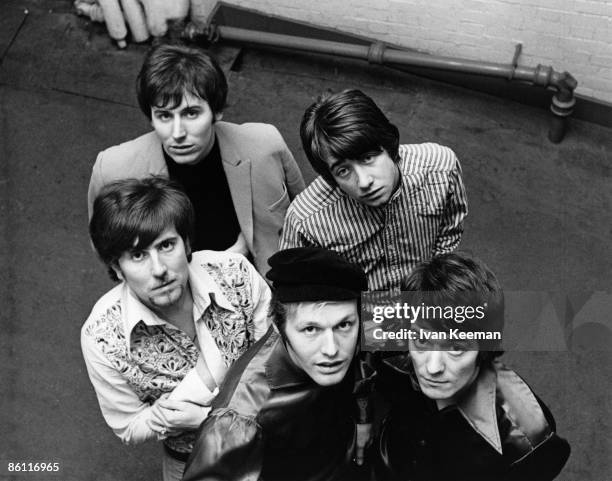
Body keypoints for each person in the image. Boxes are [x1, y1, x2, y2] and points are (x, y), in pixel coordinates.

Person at [81, 177, 272, 481]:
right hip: (189, 463)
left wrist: (208, 419)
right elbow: (129, 425)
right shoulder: (103, 336)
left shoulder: (235, 274)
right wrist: (160, 419)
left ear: (187, 243)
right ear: (117, 267)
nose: (159, 269)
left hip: (275, 445)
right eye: (138, 255)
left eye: (166, 245)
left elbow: (281, 367)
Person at [87, 42, 305, 275]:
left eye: (191, 113)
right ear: (151, 118)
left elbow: (305, 219)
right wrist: (215, 268)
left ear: (217, 111)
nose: (178, 133)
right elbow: (107, 248)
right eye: (164, 116)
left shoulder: (264, 146)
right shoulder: (114, 168)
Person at [373, 253, 571, 480]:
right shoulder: (401, 331)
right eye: (422, 341)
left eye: (456, 348)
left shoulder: (526, 436)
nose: (432, 367)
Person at [182, 247, 369, 481]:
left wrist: (364, 415)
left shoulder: (358, 318)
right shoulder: (238, 421)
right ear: (278, 327)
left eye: (344, 326)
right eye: (311, 329)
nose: (331, 350)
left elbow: (424, 314)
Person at [280, 89, 468, 291]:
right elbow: (296, 295)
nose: (364, 182)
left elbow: (449, 234)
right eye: (343, 170)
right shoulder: (306, 221)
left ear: (388, 144)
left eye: (367, 158)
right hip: (358, 311)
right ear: (330, 178)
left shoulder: (440, 169)